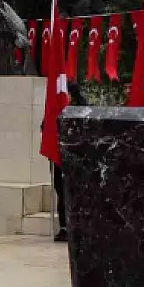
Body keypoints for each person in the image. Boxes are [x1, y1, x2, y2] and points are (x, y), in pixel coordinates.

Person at [53, 81, 88, 242]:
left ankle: (78, 225)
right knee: (61, 191)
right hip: (61, 157)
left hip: (76, 157)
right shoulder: (57, 109)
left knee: (76, 192)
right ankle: (64, 227)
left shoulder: (83, 109)